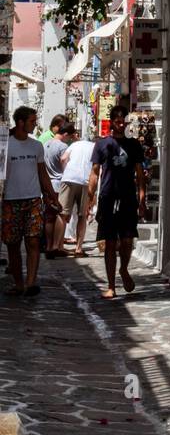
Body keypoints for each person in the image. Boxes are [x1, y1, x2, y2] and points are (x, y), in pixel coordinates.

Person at [86, 106, 146, 300]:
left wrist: (142, 199)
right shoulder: (102, 144)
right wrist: (90, 197)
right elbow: (95, 172)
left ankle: (124, 269)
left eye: (124, 122)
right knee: (110, 242)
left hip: (128, 197)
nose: (121, 125)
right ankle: (111, 285)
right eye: (118, 121)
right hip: (108, 197)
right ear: (112, 122)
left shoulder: (134, 145)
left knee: (127, 240)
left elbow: (139, 174)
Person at [1, 106, 61, 297]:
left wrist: (52, 196)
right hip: (11, 200)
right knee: (13, 244)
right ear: (20, 122)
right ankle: (19, 284)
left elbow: (42, 173)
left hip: (34, 199)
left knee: (33, 242)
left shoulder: (36, 146)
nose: (35, 125)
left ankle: (30, 283)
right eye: (32, 121)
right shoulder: (6, 145)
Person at [58, 134, 94, 258]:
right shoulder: (94, 147)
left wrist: (65, 172)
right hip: (85, 181)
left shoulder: (73, 145)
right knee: (82, 215)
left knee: (63, 214)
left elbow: (63, 159)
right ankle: (78, 249)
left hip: (68, 178)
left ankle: (58, 246)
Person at [43, 120, 74, 257]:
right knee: (61, 216)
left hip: (47, 183)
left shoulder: (45, 144)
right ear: (65, 134)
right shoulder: (63, 147)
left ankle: (49, 246)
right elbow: (66, 166)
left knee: (49, 217)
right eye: (69, 137)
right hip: (59, 184)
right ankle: (58, 246)